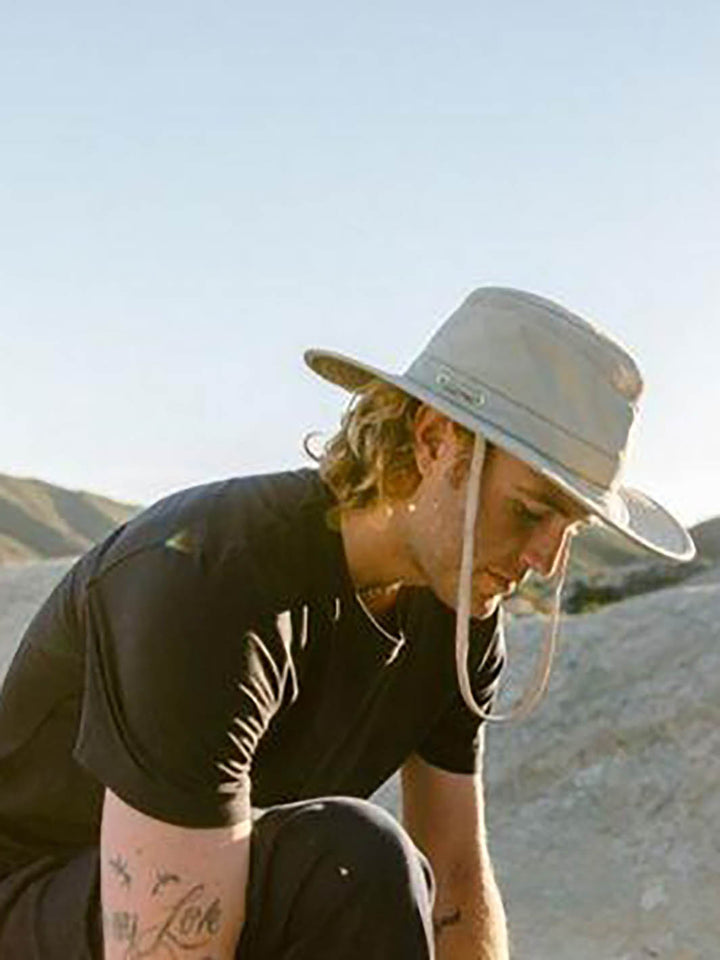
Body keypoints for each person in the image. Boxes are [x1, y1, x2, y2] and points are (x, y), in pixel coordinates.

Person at [0, 286, 694, 959]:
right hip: (35, 900)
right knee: (351, 860)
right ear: (433, 442)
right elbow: (168, 946)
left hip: (200, 896)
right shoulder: (207, 579)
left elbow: (454, 872)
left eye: (570, 528)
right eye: (531, 511)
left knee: (384, 876)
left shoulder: (456, 612)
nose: (547, 559)